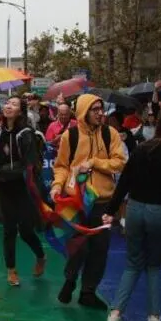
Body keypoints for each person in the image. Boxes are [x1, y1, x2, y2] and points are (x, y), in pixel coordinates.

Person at [105, 108, 161, 321]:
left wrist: (111, 209)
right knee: (153, 265)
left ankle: (115, 313)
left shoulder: (142, 148)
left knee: (132, 263)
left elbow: (124, 182)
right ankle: (154, 316)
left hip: (135, 209)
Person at [51, 93, 127, 309]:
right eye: (95, 109)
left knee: (100, 248)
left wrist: (94, 162)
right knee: (78, 246)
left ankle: (88, 291)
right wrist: (57, 186)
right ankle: (70, 279)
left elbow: (119, 162)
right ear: (84, 111)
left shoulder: (109, 133)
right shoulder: (70, 136)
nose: (100, 113)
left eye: (101, 109)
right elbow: (62, 166)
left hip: (103, 201)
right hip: (78, 201)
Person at [0, 95, 46, 286]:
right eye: (7, 103)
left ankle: (41, 256)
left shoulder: (26, 134)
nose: (8, 106)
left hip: (24, 188)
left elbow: (30, 165)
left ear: (20, 111)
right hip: (5, 188)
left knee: (26, 230)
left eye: (14, 104)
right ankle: (11, 270)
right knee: (8, 230)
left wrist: (4, 171)